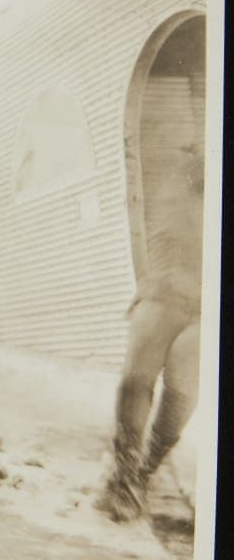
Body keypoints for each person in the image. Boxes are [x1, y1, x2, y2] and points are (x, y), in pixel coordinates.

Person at [96, 147, 203, 522]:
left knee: (185, 383)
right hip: (167, 289)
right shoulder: (188, 169)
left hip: (209, 304)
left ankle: (144, 471)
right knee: (136, 376)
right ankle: (125, 474)